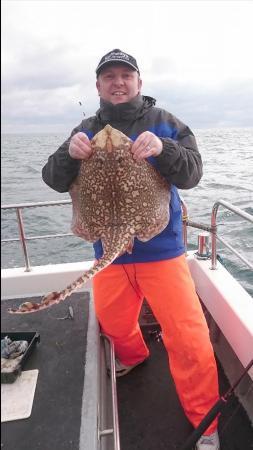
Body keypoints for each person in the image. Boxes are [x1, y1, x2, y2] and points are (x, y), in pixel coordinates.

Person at [42, 49, 220, 450]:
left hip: (162, 251)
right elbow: (53, 178)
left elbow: (192, 173)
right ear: (99, 86)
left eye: (126, 75)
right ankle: (135, 356)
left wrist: (164, 149)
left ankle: (207, 426)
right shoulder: (85, 128)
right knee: (114, 323)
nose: (118, 82)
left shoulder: (166, 123)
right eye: (109, 77)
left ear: (139, 82)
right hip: (109, 249)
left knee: (189, 339)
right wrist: (68, 155)